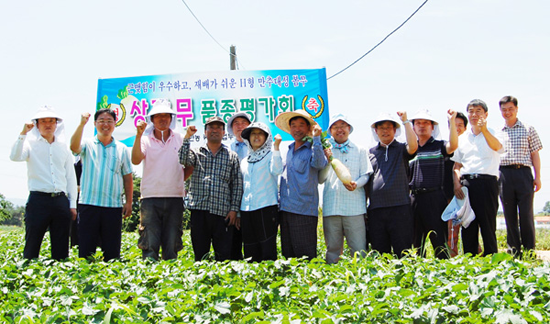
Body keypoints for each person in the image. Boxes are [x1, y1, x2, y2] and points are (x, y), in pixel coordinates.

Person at [10, 106, 77, 260]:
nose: (48, 124)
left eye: (51, 121)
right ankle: (28, 277)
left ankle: (59, 278)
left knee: (61, 247)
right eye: (43, 121)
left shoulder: (63, 148)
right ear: (37, 125)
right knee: (32, 243)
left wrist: (72, 204)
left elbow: (70, 177)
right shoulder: (30, 144)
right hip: (38, 199)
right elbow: (15, 156)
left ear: (56, 124)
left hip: (60, 200)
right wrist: (22, 134)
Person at [70, 108, 133, 261]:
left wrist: (129, 202)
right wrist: (81, 124)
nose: (105, 124)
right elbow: (73, 147)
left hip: (113, 206)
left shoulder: (122, 148)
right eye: (101, 121)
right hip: (88, 204)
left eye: (109, 121)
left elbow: (127, 177)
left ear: (115, 124)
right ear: (95, 124)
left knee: (112, 252)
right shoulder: (87, 144)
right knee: (86, 250)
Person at [178, 116, 243, 261]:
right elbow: (182, 159)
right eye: (211, 128)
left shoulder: (232, 156)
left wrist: (234, 210)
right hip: (199, 209)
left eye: (218, 128)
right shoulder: (196, 152)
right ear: (205, 132)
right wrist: (187, 137)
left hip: (223, 212)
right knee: (200, 255)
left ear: (223, 132)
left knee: (224, 256)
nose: (215, 131)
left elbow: (237, 185)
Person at [131, 99, 186, 261]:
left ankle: (170, 282)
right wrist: (138, 134)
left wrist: (178, 180)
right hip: (150, 199)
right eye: (158, 116)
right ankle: (150, 280)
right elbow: (135, 160)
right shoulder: (145, 139)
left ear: (171, 118)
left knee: (172, 245)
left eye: (166, 116)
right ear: (152, 120)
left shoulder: (180, 139)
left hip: (175, 197)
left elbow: (189, 165)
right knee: (149, 243)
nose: (162, 119)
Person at [452, 99, 503, 256]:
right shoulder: (462, 138)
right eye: (471, 111)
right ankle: (469, 261)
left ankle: (492, 261)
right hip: (467, 185)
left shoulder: (494, 132)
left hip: (487, 183)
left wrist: (484, 130)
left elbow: (497, 147)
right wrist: (456, 184)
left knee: (487, 225)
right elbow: (457, 166)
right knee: (468, 225)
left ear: (486, 114)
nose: (474, 114)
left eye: (478, 111)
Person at [319, 114, 372, 263]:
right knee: (333, 250)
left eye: (343, 126)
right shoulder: (325, 150)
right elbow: (320, 179)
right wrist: (328, 160)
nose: (339, 129)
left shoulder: (359, 150)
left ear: (349, 129)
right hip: (332, 208)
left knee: (358, 249)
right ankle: (333, 281)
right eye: (335, 127)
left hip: (354, 208)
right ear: (330, 131)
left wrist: (356, 184)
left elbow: (365, 175)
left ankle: (361, 281)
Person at [275, 109, 328, 260]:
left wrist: (317, 139)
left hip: (303, 211)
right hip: (286, 209)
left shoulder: (313, 148)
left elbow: (319, 164)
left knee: (305, 257)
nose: (297, 129)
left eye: (301, 125)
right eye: (293, 125)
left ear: (308, 129)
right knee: (288, 254)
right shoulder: (289, 150)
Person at [367, 112, 418, 258]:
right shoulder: (370, 153)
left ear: (395, 131)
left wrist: (405, 121)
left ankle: (406, 280)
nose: (385, 131)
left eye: (389, 127)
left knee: (403, 251)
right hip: (376, 210)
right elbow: (367, 182)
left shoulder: (402, 149)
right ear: (376, 131)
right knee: (380, 252)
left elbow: (414, 146)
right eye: (381, 128)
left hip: (400, 207)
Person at [409, 109, 458, 259]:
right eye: (418, 123)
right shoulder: (410, 149)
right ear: (413, 127)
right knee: (415, 242)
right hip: (414, 198)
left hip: (435, 197)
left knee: (439, 240)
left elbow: (453, 146)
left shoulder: (439, 145)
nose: (422, 126)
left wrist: (452, 122)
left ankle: (443, 272)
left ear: (432, 127)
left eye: (426, 123)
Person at [498, 95, 543, 257]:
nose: (507, 112)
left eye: (511, 109)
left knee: (526, 213)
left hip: (524, 173)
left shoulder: (528, 128)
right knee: (509, 214)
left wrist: (537, 177)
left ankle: (529, 250)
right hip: (504, 174)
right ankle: (514, 251)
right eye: (504, 110)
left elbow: (535, 154)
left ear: (516, 109)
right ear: (500, 111)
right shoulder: (498, 132)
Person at [239, 122, 283, 262]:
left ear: (266, 137)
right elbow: (243, 187)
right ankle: (252, 279)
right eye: (253, 133)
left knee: (267, 248)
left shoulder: (271, 155)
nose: (256, 136)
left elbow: (277, 170)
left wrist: (276, 147)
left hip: (266, 208)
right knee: (250, 248)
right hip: (247, 210)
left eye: (260, 133)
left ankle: (269, 280)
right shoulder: (245, 161)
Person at [444, 112, 470, 256]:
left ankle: (474, 257)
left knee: (470, 228)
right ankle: (453, 258)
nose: (457, 128)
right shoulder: (446, 147)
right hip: (451, 196)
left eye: (460, 125)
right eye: (454, 125)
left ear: (466, 128)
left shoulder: (471, 146)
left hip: (468, 193)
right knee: (452, 231)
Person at [227, 111, 252, 260]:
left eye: (243, 123)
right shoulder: (227, 150)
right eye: (236, 123)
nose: (240, 126)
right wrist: (235, 210)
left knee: (252, 247)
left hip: (253, 204)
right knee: (233, 247)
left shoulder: (258, 148)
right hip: (231, 206)